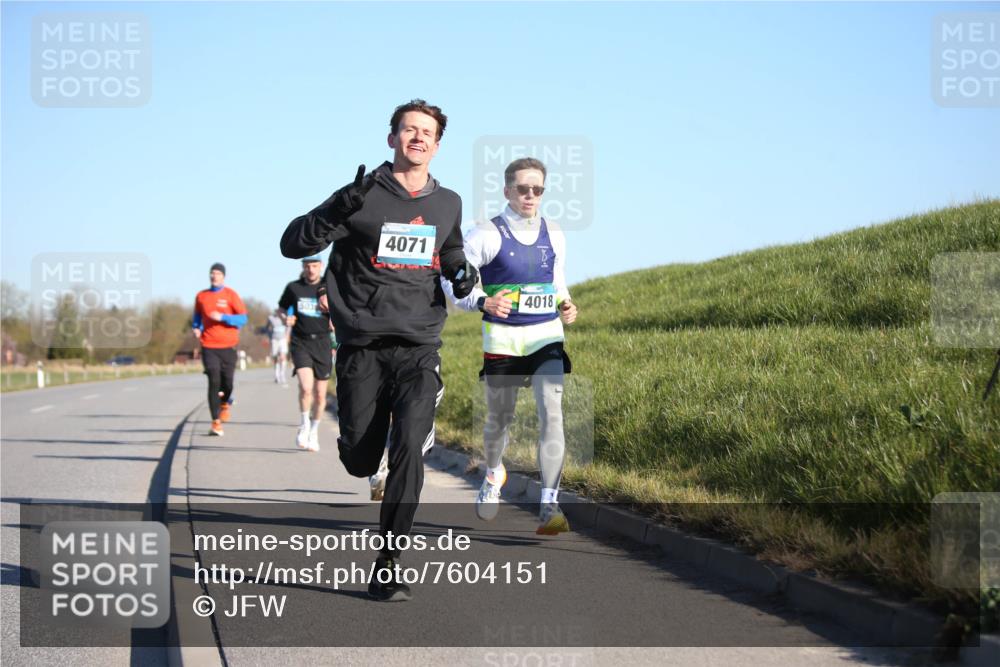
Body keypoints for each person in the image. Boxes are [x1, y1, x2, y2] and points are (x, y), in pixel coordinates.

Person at [280, 99, 477, 601]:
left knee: (410, 446)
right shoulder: (361, 196)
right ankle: (365, 454)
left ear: (437, 144)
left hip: (419, 345)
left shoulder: (447, 202)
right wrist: (337, 207)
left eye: (426, 132)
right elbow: (293, 244)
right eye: (408, 130)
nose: (417, 138)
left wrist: (459, 268)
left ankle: (388, 562)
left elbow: (448, 246)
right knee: (360, 459)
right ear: (391, 139)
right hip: (362, 346)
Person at [443, 158, 578, 535]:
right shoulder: (485, 234)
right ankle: (492, 474)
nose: (530, 195)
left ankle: (550, 501)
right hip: (503, 338)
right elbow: (453, 282)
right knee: (498, 421)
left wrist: (566, 304)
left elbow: (557, 280)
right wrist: (482, 301)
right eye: (523, 189)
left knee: (552, 411)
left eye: (538, 189)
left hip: (545, 336)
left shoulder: (555, 232)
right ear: (507, 191)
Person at [279, 256, 333, 452]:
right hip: (300, 342)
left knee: (320, 395)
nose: (311, 270)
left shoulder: (329, 288)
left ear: (321, 267)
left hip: (323, 343)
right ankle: (304, 424)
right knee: (306, 387)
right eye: (307, 266)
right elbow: (281, 308)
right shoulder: (294, 288)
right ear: (303, 267)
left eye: (314, 266)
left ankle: (314, 430)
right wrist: (286, 318)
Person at [192, 263, 248, 437]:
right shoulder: (201, 296)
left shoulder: (231, 295)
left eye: (217, 273)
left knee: (228, 383)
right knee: (213, 380)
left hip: (228, 345)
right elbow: (196, 317)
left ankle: (225, 402)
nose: (214, 276)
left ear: (223, 276)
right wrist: (196, 327)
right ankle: (215, 422)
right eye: (212, 273)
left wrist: (223, 317)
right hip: (209, 345)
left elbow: (243, 319)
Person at [266, 307, 290, 386]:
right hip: (274, 340)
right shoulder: (271, 318)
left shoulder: (284, 317)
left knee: (283, 357)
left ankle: (282, 374)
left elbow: (289, 326)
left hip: (282, 339)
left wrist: (287, 336)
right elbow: (267, 328)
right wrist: (270, 337)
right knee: (275, 357)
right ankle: (277, 375)